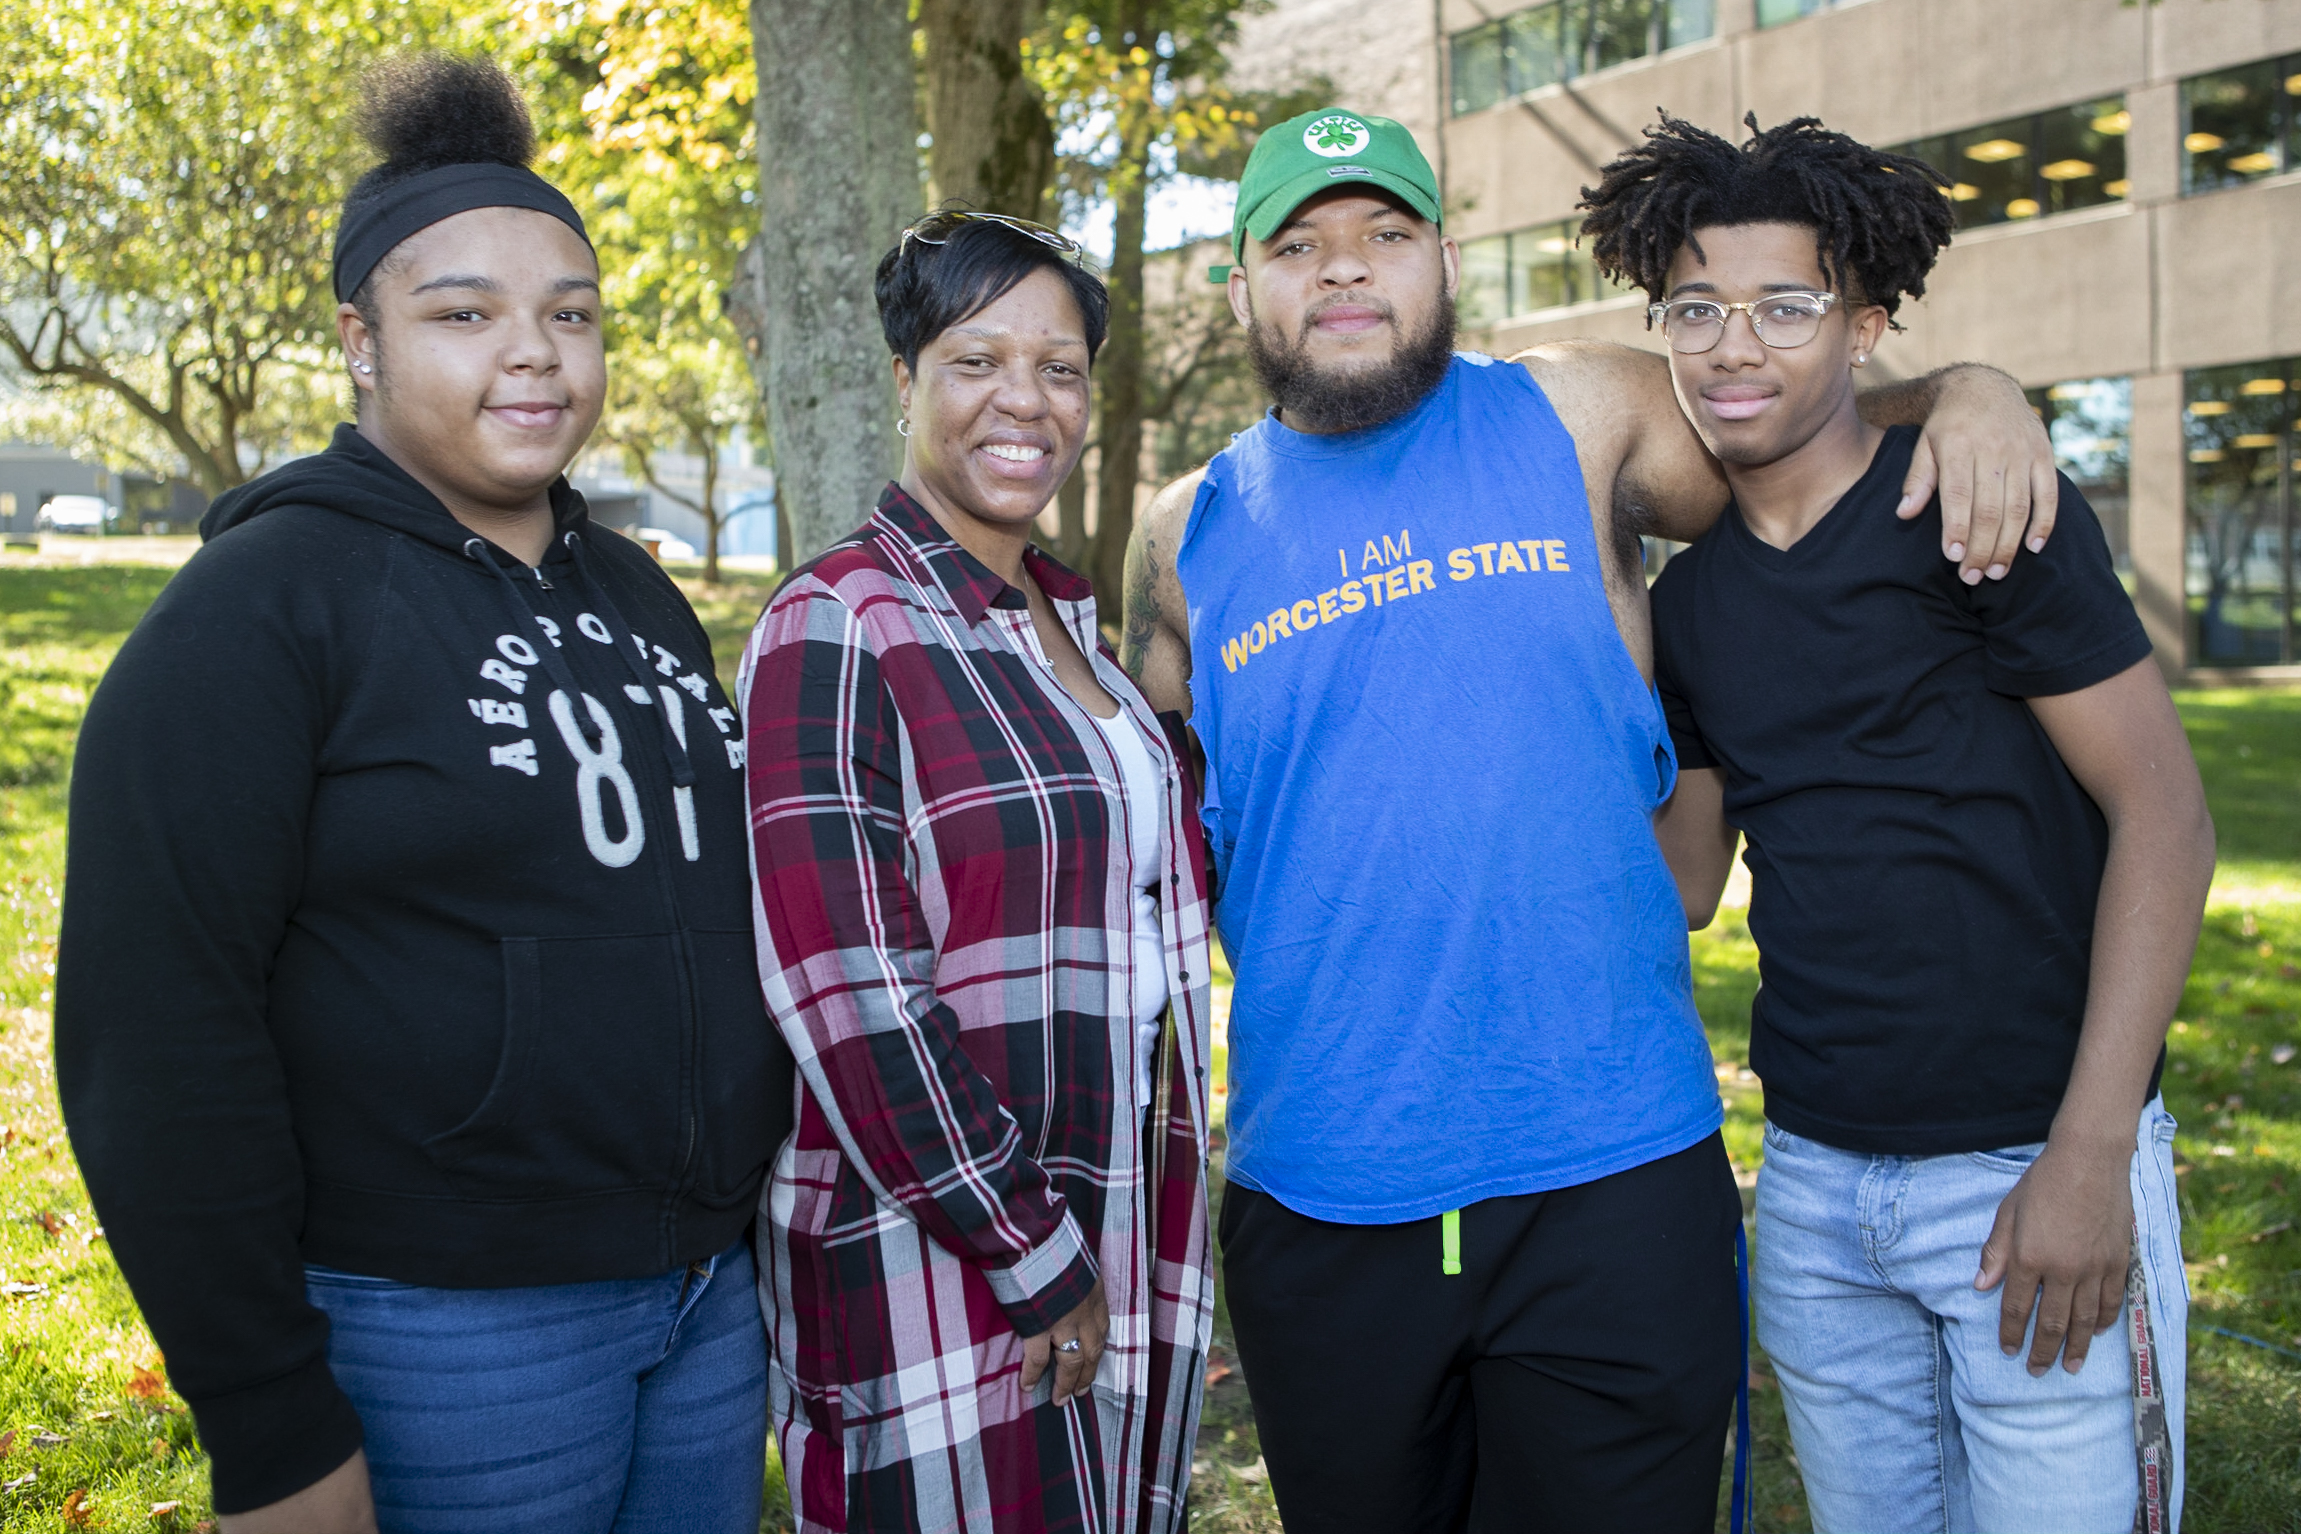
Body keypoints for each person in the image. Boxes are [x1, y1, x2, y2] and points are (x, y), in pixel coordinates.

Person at [1119, 106, 2066, 1532]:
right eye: (1298, 244)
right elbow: (1145, 846)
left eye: (1386, 233)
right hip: (1322, 1188)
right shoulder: (1178, 533)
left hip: (1609, 1171)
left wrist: (1973, 390)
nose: (1346, 271)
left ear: (1444, 256)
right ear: (1239, 281)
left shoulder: (1578, 410)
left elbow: (1804, 439)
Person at [55, 56, 793, 1534]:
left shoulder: (639, 591)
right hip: (448, 1324)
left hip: (706, 1299)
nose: (534, 355)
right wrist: (269, 1424)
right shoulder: (260, 607)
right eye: (463, 313)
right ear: (360, 341)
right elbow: (153, 1034)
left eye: (569, 314)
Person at [1598, 115, 2213, 1534]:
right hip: (1817, 1180)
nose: (1732, 346)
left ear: (1865, 323)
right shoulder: (1686, 605)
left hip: (2028, 1159)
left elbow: (2165, 817)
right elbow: (1684, 881)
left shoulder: (1974, 507)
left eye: (1784, 306)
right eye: (1694, 308)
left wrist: (2088, 1151)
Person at [741, 210, 1216, 1534]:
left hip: (1110, 1211)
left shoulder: (1070, 629)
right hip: (941, 1257)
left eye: (1059, 368)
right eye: (976, 359)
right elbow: (852, 993)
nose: (1026, 399)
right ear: (905, 378)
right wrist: (1030, 1250)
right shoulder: (838, 619)